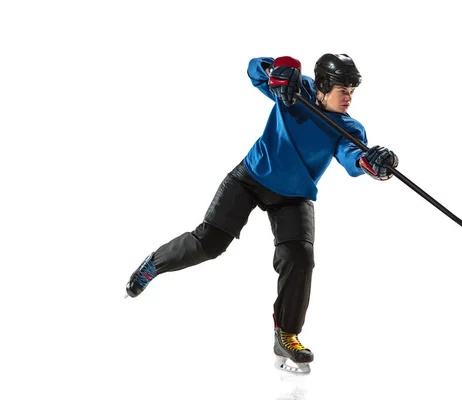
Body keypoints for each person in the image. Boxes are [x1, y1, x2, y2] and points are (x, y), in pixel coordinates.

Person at [124, 54, 398, 374]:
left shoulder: (349, 127)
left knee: (300, 257)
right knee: (209, 243)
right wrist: (276, 73)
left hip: (293, 196)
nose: (349, 97)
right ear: (322, 86)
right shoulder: (296, 91)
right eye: (343, 89)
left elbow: (353, 157)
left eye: (352, 90)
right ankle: (154, 265)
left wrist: (372, 164)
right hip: (251, 179)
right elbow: (256, 70)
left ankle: (286, 335)